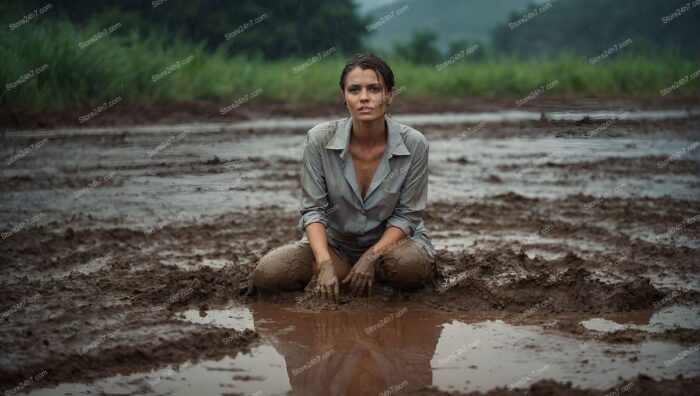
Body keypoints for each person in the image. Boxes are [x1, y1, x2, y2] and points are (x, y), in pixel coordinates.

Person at [251, 53, 436, 301]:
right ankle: (345, 273)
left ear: (389, 96)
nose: (364, 98)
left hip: (391, 248)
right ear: (343, 97)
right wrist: (324, 262)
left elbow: (407, 216)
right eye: (354, 90)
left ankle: (371, 271)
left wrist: (371, 257)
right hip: (336, 246)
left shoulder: (414, 144)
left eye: (374, 89)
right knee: (268, 275)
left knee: (409, 268)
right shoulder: (319, 139)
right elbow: (313, 210)